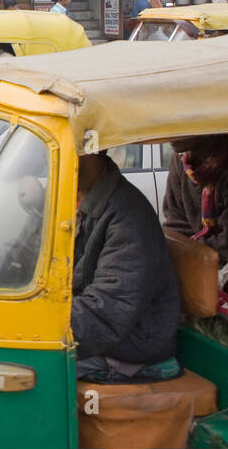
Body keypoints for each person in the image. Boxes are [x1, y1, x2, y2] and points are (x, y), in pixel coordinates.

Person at [71, 152, 182, 383]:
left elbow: (107, 313)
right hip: (93, 332)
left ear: (92, 150)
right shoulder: (68, 199)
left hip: (129, 346)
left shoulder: (129, 217)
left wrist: (37, 322)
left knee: (23, 369)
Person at [161, 134, 228, 262]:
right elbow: (175, 221)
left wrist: (187, 250)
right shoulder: (179, 162)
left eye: (178, 125)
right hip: (195, 258)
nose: (169, 135)